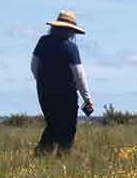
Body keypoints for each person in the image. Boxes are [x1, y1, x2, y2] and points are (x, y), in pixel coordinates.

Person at [31, 9, 94, 155]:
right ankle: (61, 157)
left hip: (44, 93)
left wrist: (42, 82)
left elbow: (34, 65)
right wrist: (87, 98)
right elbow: (79, 74)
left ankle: (41, 155)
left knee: (52, 125)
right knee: (67, 128)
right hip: (66, 95)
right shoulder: (70, 47)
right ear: (71, 30)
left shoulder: (43, 41)